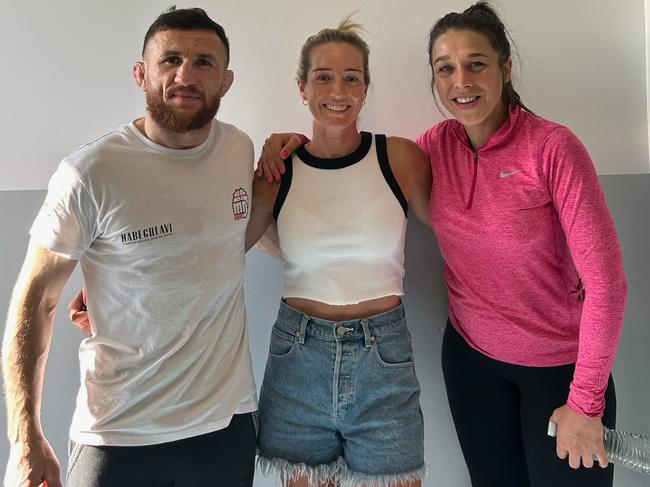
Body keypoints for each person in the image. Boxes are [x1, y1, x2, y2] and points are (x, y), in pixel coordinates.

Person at [256, 3, 627, 487]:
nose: (461, 81)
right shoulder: (436, 146)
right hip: (472, 365)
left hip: (557, 369)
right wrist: (289, 145)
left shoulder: (553, 148)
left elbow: (608, 286)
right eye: (445, 68)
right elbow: (352, 184)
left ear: (505, 66)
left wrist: (586, 401)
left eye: (476, 63)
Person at [2, 7, 259, 487]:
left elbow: (237, 238)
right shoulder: (90, 172)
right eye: (171, 60)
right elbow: (34, 301)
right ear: (141, 74)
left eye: (204, 62)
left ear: (225, 81)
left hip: (226, 428)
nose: (185, 74)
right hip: (117, 434)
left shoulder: (239, 150)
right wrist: (25, 438)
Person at [244, 18, 431, 487]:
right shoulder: (276, 169)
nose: (338, 89)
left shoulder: (400, 158)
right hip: (297, 355)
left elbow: (464, 224)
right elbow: (230, 243)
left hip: (383, 356)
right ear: (302, 88)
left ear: (366, 88)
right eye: (323, 76)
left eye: (352, 77)